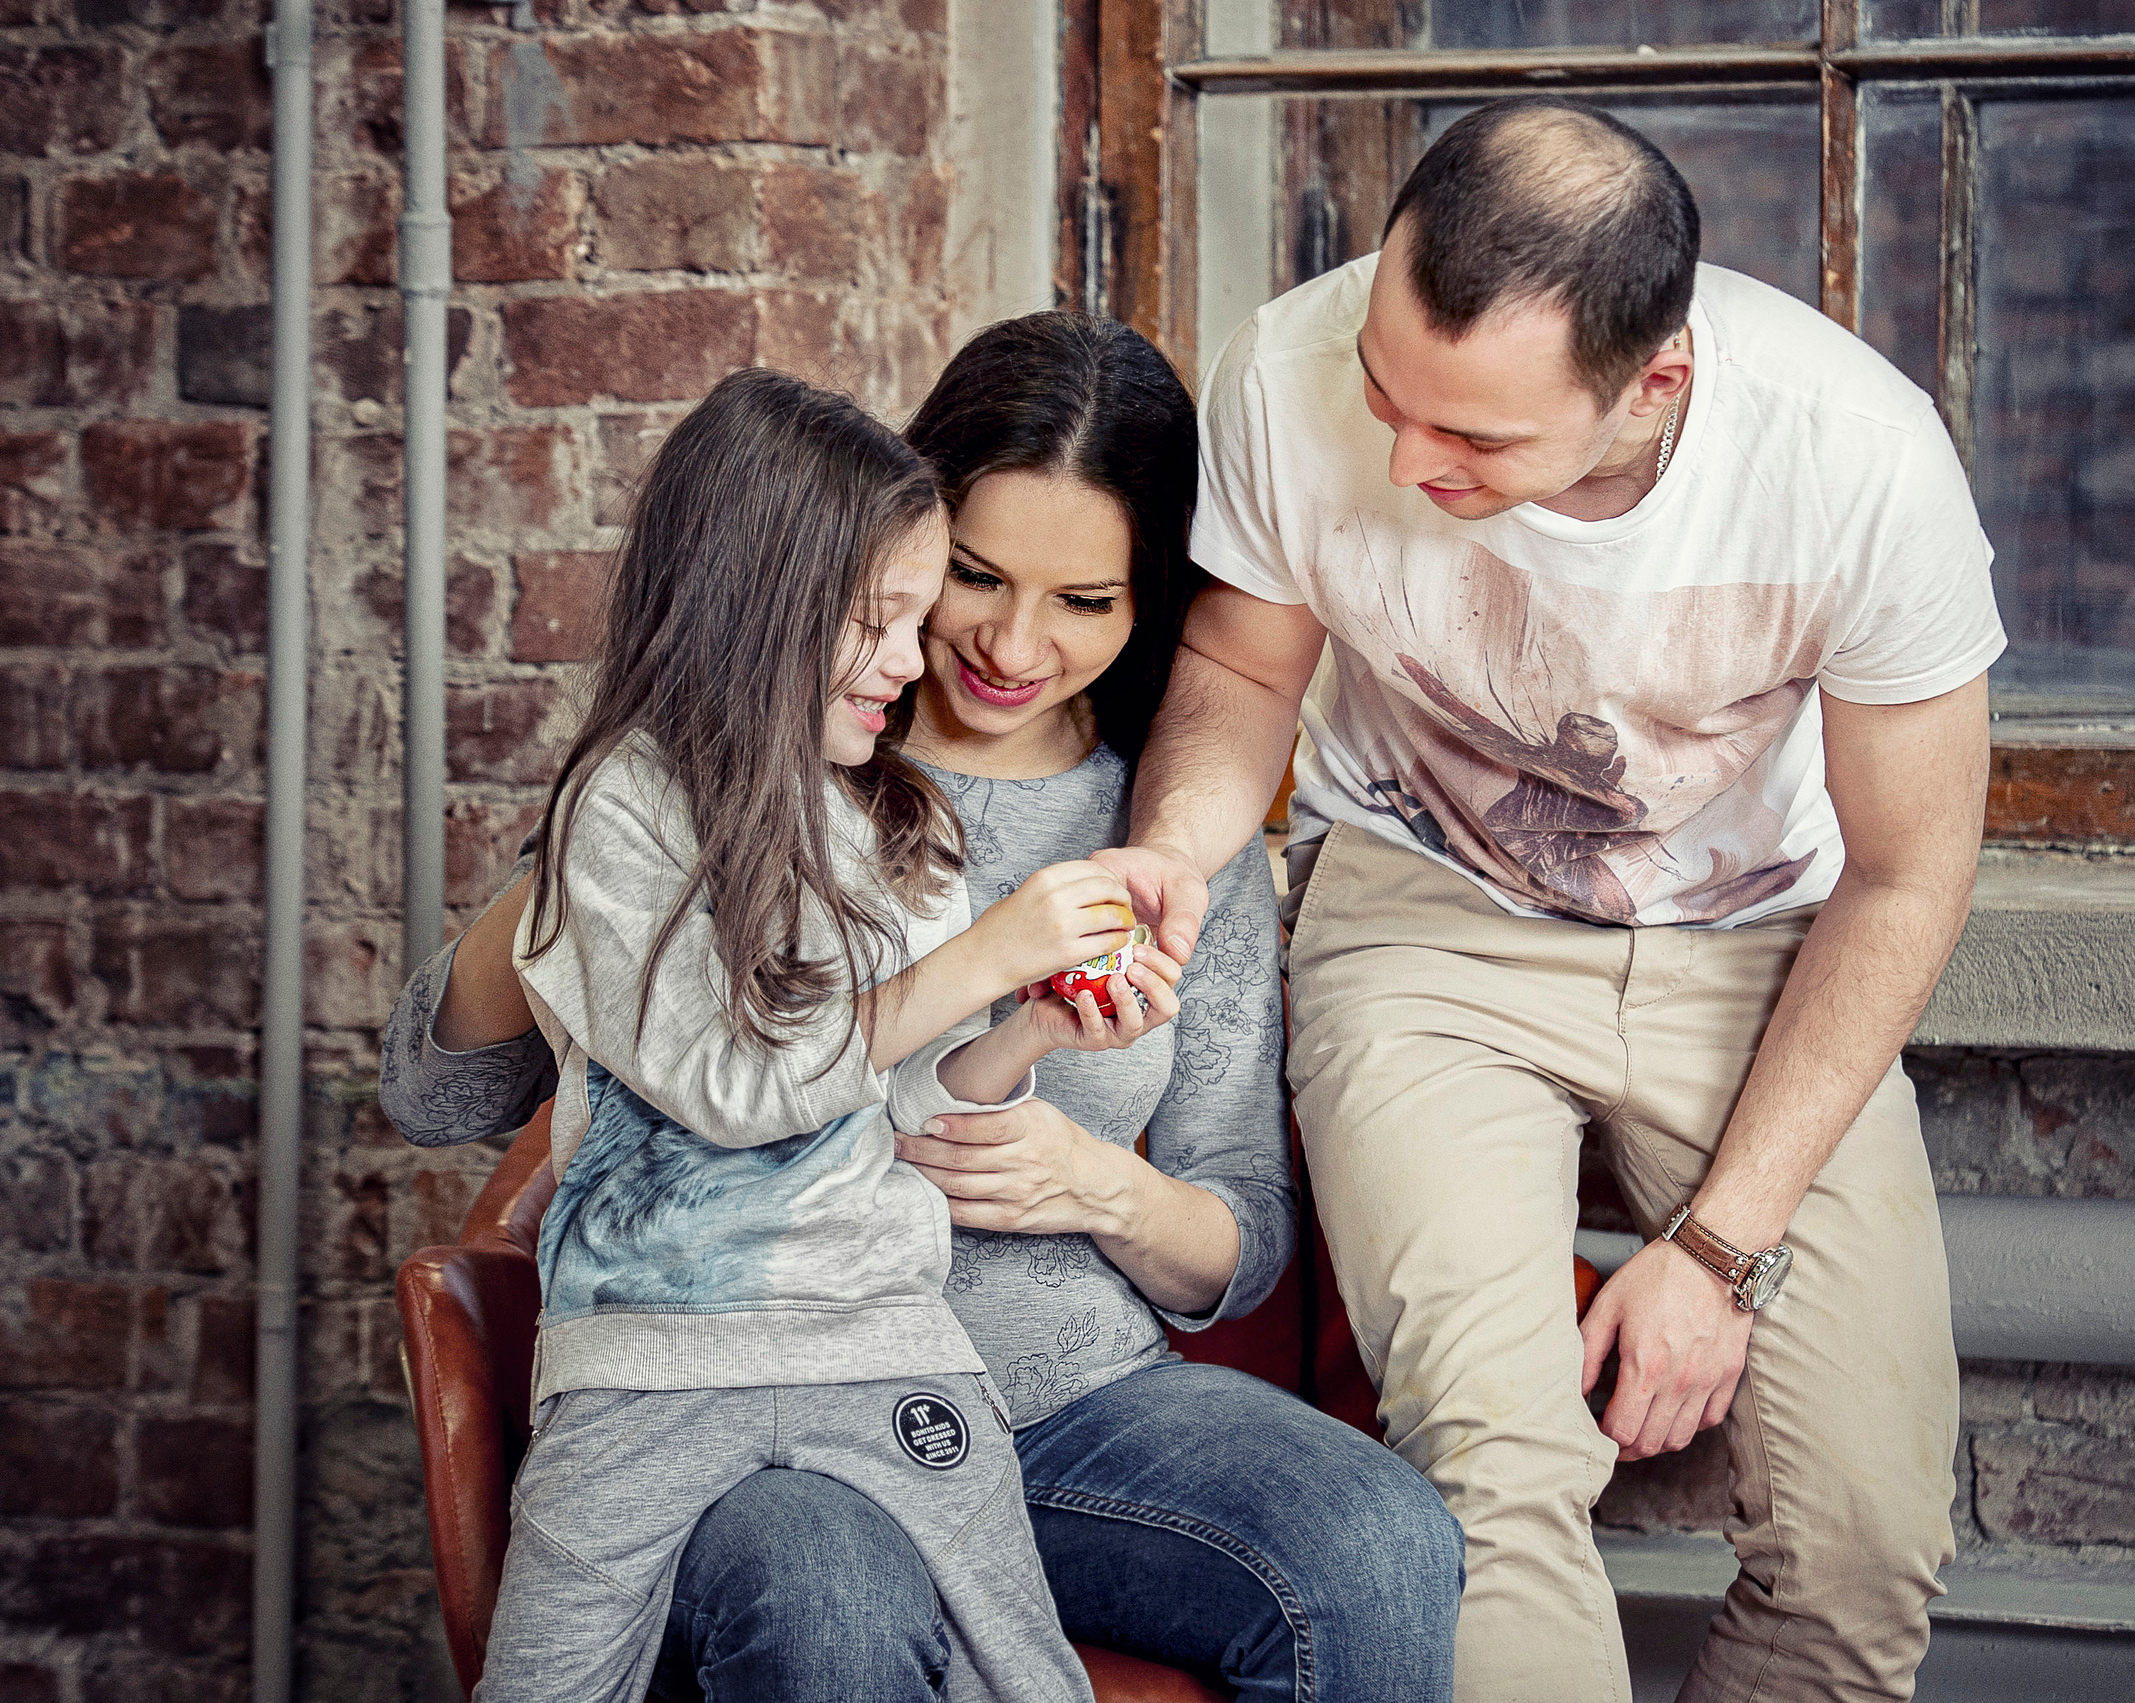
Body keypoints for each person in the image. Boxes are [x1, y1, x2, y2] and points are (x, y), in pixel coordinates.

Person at [380, 314, 1465, 1702]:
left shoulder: (1167, 845)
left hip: (1073, 1408)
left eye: (1087, 601)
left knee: (1375, 1541)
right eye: (971, 574)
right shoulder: (759, 764)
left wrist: (1098, 1186)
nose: (1014, 643)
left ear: (1152, 608)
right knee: (831, 1581)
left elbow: (1239, 1250)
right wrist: (576, 864)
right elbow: (441, 1098)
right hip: (745, 1406)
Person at [1092, 98, 2004, 1703]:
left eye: (1478, 440)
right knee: (1491, 1473)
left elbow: (1911, 871)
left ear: (1654, 383)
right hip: (1427, 914)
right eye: (1387, 391)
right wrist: (1178, 840)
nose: (1402, 459)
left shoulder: (1858, 461)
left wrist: (1715, 1253)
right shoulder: (1281, 372)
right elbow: (1242, 665)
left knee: (1864, 1536)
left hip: (1762, 940)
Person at [468, 368, 1180, 1703]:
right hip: (641, 1368)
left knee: (1032, 1680)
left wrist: (1025, 1025)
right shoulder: (617, 815)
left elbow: (905, 1105)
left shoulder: (900, 827)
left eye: (918, 619)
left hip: (884, 1346)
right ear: (754, 602)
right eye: (877, 622)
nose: (916, 665)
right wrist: (985, 952)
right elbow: (736, 1089)